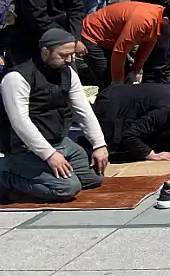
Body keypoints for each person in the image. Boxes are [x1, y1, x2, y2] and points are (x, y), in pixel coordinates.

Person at [0, 30, 108, 203]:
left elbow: (83, 110)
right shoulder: (17, 78)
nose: (69, 60)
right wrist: (49, 155)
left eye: (71, 55)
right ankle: (6, 178)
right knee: (66, 188)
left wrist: (99, 144)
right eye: (63, 55)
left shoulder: (68, 72)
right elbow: (20, 123)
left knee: (94, 178)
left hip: (59, 141)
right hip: (23, 148)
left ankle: (45, 175)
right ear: (45, 52)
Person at [92, 83, 170, 162]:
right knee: (117, 146)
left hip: (133, 101)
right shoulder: (169, 113)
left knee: (153, 140)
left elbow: (169, 129)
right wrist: (150, 154)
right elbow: (130, 135)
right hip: (112, 104)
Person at [80, 1, 170, 87]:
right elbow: (120, 50)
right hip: (93, 34)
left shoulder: (159, 21)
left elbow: (146, 47)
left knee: (124, 78)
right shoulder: (143, 21)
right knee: (108, 83)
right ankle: (105, 113)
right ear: (166, 20)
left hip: (112, 39)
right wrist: (117, 80)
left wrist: (135, 71)